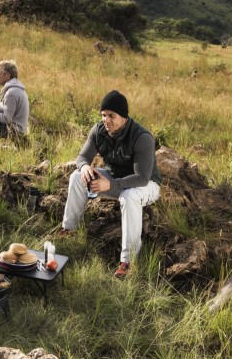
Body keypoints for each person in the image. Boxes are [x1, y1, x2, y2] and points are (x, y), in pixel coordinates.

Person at [57, 90, 161, 278]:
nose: (106, 120)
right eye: (104, 115)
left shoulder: (142, 137)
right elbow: (82, 157)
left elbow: (142, 177)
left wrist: (110, 185)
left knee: (129, 197)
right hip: (113, 180)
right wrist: (84, 168)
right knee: (76, 178)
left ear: (124, 117)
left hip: (145, 185)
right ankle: (69, 229)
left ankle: (128, 261)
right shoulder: (99, 130)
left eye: (111, 115)